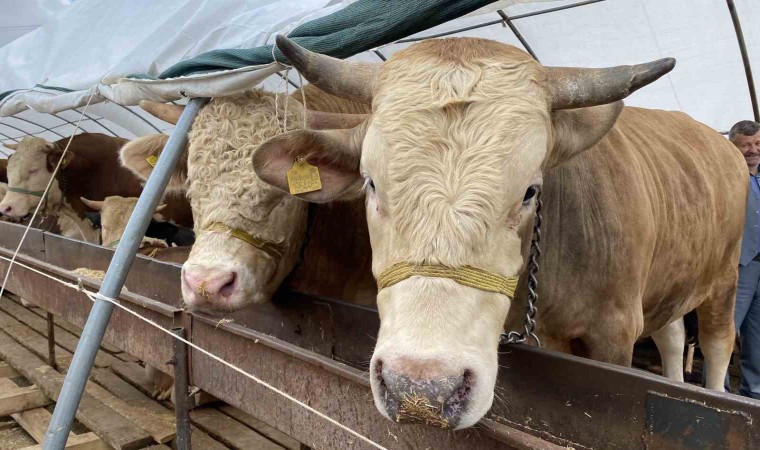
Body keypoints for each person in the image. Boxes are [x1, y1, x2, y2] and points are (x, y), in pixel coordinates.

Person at [728, 119, 760, 399]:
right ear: (733, 147)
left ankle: (753, 393)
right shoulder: (727, 180)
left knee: (758, 337)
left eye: (757, 144)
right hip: (738, 266)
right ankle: (717, 389)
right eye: (746, 145)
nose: (753, 150)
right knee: (724, 331)